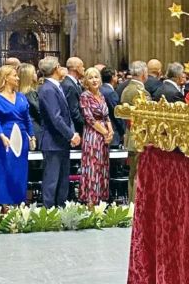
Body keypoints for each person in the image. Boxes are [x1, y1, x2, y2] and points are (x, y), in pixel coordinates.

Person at [38, 56, 80, 208]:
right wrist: (71, 135)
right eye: (60, 65)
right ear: (56, 68)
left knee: (63, 179)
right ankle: (49, 211)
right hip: (52, 141)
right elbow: (56, 118)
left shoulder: (57, 86)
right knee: (52, 179)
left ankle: (61, 209)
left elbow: (66, 115)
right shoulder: (48, 89)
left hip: (61, 141)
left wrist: (71, 134)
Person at [0, 65, 35, 205]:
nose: (18, 78)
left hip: (22, 138)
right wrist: (1, 135)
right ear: (6, 78)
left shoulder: (21, 97)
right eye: (14, 75)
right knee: (5, 169)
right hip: (4, 138)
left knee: (20, 170)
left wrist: (31, 135)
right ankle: (4, 204)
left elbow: (27, 119)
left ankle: (19, 203)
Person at [79, 68, 113, 205]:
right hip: (92, 135)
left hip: (104, 136)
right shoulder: (85, 96)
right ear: (86, 81)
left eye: (96, 77)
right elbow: (89, 119)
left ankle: (100, 202)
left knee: (102, 167)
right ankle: (91, 202)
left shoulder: (102, 95)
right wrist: (105, 132)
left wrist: (110, 132)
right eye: (91, 78)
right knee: (93, 167)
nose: (94, 80)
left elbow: (106, 116)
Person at [121, 61, 150, 202]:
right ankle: (136, 205)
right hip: (139, 138)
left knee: (133, 174)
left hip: (130, 137)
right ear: (144, 74)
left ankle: (132, 205)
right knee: (138, 173)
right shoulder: (140, 92)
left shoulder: (126, 89)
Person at [17, 62, 42, 148]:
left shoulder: (18, 94)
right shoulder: (31, 94)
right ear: (29, 76)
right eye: (34, 72)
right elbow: (39, 111)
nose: (36, 75)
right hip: (35, 130)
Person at [100, 67, 125, 147]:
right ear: (113, 77)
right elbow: (117, 114)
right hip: (113, 133)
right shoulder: (110, 93)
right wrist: (123, 132)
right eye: (116, 75)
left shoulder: (98, 90)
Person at [62, 56, 85, 135]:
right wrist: (86, 125)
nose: (84, 68)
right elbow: (74, 112)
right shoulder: (69, 85)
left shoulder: (73, 83)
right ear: (76, 68)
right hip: (76, 130)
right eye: (82, 66)